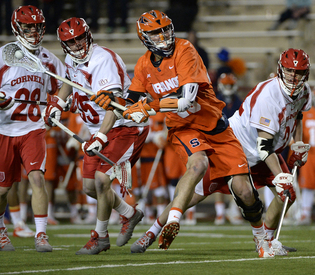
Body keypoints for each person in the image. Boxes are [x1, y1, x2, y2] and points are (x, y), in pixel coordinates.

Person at [99, 10, 276, 258]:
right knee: (197, 164)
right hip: (183, 128)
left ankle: (260, 239)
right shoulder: (142, 65)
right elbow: (131, 101)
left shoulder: (185, 50)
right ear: (144, 37)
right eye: (155, 33)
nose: (163, 36)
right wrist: (111, 101)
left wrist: (149, 106)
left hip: (215, 126)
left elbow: (186, 99)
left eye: (164, 30)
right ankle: (173, 220)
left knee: (245, 192)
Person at [129, 47, 310, 257]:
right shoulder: (269, 95)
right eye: (290, 71)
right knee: (194, 196)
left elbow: (297, 116)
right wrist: (280, 175)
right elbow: (264, 146)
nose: (294, 77)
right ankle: (151, 233)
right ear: (280, 69)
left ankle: (267, 241)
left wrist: (297, 143)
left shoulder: (304, 92)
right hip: (238, 147)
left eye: (298, 73)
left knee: (287, 194)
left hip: (264, 152)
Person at [44, 17, 150, 255]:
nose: (77, 44)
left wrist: (101, 137)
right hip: (97, 129)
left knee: (102, 181)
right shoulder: (71, 58)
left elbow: (112, 105)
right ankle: (130, 214)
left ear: (88, 35)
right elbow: (68, 81)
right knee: (90, 187)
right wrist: (58, 104)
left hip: (123, 126)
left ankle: (100, 237)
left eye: (79, 37)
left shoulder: (103, 60)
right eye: (70, 41)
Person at [0, 5, 65, 252]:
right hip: (4, 129)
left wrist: (56, 102)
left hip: (33, 128)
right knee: (3, 189)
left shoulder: (48, 59)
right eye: (28, 28)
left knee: (36, 178)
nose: (34, 32)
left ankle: (41, 234)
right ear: (17, 28)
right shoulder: (0, 56)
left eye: (37, 27)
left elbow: (64, 84)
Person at [214, 73, 244, 225]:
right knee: (219, 178)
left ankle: (234, 210)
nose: (227, 88)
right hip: (219, 142)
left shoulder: (239, 102)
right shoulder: (215, 100)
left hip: (236, 143)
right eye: (225, 85)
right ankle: (220, 213)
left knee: (237, 178)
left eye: (230, 85)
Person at [296, 91, 315, 225]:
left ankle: (306, 212)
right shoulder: (306, 113)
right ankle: (306, 212)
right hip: (310, 152)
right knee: (307, 184)